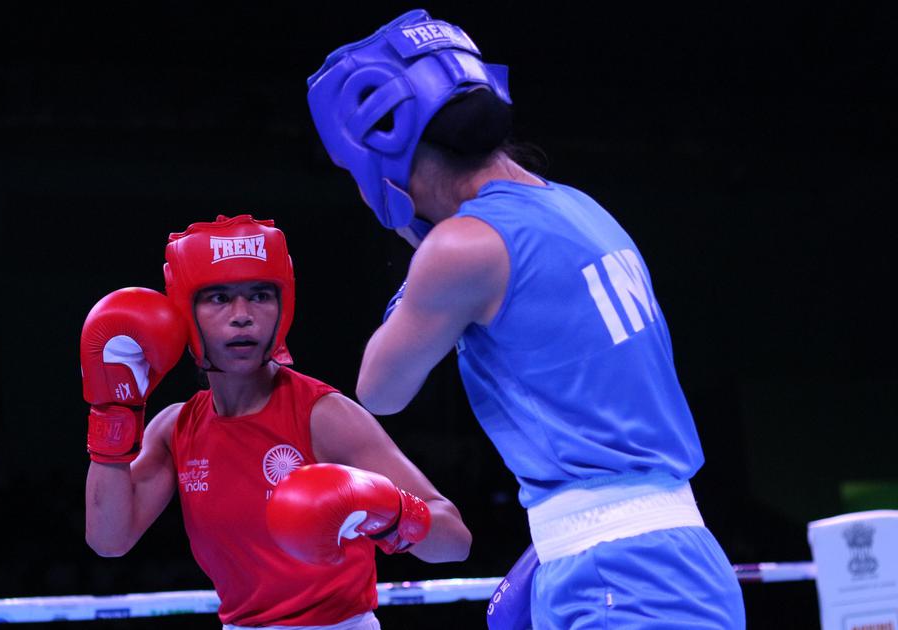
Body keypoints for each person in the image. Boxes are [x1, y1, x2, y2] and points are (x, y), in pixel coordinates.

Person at [306, 9, 746, 629]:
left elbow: (380, 389)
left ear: (384, 152)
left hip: (626, 574)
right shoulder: (576, 206)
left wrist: (420, 244)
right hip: (637, 553)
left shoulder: (465, 246)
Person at [79, 214, 472, 630]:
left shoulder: (322, 414)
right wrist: (114, 411)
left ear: (283, 306)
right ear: (185, 310)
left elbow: (455, 542)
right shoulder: (176, 429)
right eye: (218, 298)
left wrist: (391, 512)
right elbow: (109, 540)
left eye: (261, 295)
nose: (243, 315)